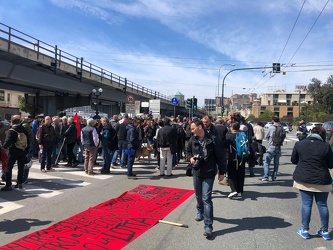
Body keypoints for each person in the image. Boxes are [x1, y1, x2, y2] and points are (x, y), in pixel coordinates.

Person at [291, 126, 333, 240]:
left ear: (311, 132)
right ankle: (325, 231)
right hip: (322, 179)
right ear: (323, 135)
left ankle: (305, 230)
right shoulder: (326, 146)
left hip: (304, 178)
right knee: (323, 205)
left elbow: (293, 160)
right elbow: (331, 165)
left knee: (306, 204)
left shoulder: (300, 144)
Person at [187, 119, 226, 238]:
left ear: (200, 127)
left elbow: (220, 155)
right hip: (197, 171)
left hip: (209, 172)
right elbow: (187, 151)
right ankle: (200, 211)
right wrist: (190, 158)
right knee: (198, 195)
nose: (191, 131)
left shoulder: (213, 139)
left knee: (206, 198)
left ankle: (208, 226)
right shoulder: (192, 139)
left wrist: (222, 171)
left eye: (193, 128)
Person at [1, 115, 29, 191]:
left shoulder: (12, 130)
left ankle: (8, 185)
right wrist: (26, 150)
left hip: (13, 151)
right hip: (22, 151)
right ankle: (19, 183)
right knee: (21, 168)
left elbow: (7, 142)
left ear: (12, 122)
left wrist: (4, 147)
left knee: (8, 168)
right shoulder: (24, 129)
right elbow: (28, 141)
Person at [225, 122, 247, 198]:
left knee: (231, 174)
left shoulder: (229, 136)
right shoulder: (243, 135)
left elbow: (225, 145)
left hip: (233, 157)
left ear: (231, 127)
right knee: (241, 174)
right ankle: (240, 191)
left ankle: (234, 190)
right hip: (242, 157)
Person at [261, 116, 283, 182]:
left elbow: (266, 136)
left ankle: (266, 176)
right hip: (278, 146)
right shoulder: (281, 127)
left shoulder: (271, 127)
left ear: (273, 120)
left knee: (266, 162)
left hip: (271, 146)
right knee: (276, 163)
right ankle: (274, 177)